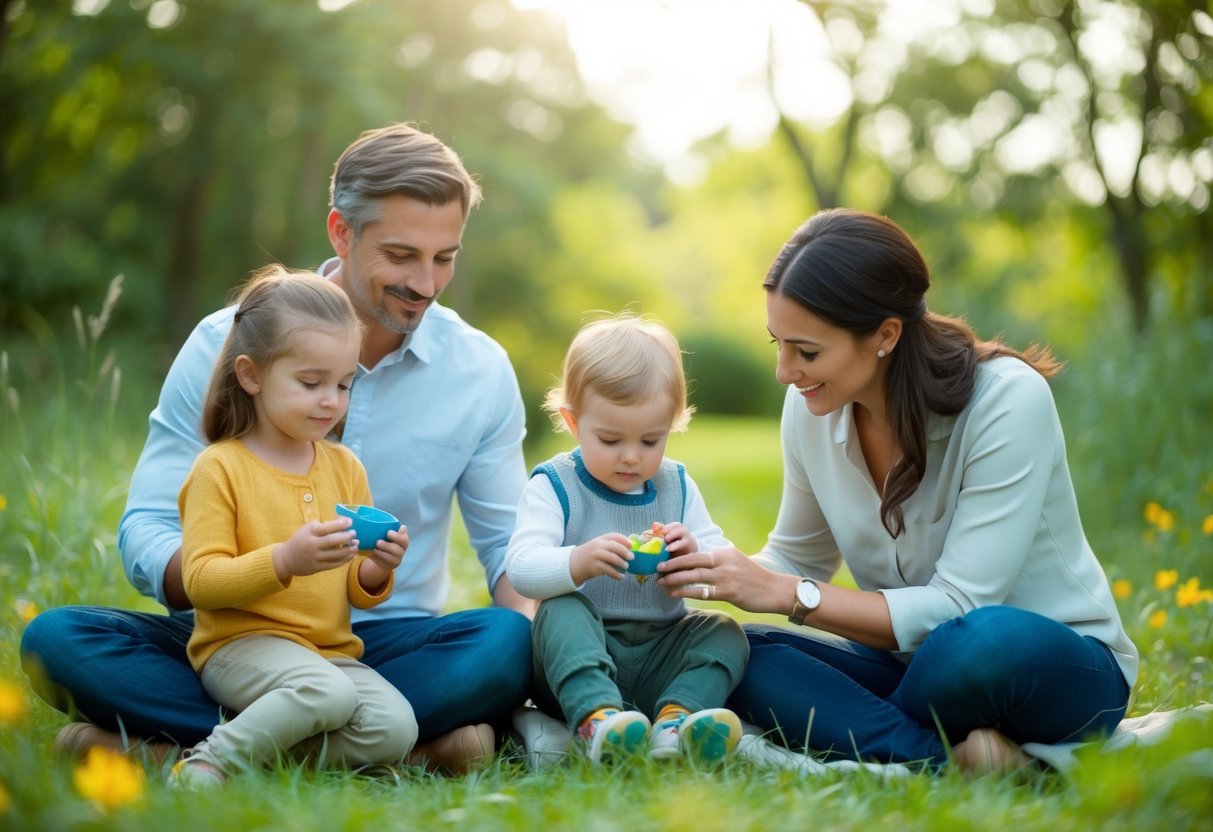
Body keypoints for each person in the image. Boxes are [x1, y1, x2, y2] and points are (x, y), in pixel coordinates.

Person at [21, 123, 534, 774]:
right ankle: (412, 750)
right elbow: (148, 525)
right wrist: (258, 571)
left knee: (506, 640)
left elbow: (511, 556)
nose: (427, 283)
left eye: (445, 257)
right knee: (58, 640)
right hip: (232, 632)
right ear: (341, 233)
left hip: (374, 646)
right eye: (402, 255)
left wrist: (542, 669)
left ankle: (168, 752)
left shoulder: (479, 370)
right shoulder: (225, 343)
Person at [656, 208, 1137, 774]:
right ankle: (947, 759)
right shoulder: (811, 408)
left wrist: (788, 593)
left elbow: (960, 606)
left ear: (885, 334)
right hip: (906, 666)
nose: (784, 371)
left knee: (975, 643)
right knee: (729, 650)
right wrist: (708, 571)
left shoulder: (1007, 400)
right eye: (777, 344)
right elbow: (795, 559)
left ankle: (878, 733)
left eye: (807, 351)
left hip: (1038, 662)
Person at [170, 267, 416, 788]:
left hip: (327, 653)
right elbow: (201, 583)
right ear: (252, 374)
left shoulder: (345, 468)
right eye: (311, 383)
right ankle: (209, 762)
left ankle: (256, 760)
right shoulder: (221, 468)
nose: (331, 400)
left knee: (395, 729)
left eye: (344, 384)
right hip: (240, 645)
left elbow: (352, 585)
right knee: (328, 696)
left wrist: (375, 569)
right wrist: (284, 560)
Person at [506, 314, 749, 766]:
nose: (632, 457)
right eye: (611, 439)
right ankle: (596, 722)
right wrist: (577, 561)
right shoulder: (555, 485)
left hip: (661, 649)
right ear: (573, 422)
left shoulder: (677, 486)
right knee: (561, 607)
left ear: (672, 426)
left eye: (652, 440)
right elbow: (521, 567)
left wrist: (693, 555)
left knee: (724, 632)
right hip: (578, 658)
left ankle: (675, 723)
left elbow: (721, 564)